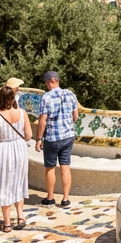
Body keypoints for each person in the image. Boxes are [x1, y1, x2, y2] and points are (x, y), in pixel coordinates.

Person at [0, 86, 31, 230]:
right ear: (13, 98)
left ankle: (7, 223)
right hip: (20, 148)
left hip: (4, 150)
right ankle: (20, 217)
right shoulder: (23, 113)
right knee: (19, 182)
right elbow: (28, 135)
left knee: (4, 184)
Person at [35, 70, 79, 207]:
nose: (47, 86)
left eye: (47, 83)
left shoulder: (46, 97)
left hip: (52, 138)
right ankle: (65, 199)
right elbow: (75, 116)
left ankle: (50, 197)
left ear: (51, 81)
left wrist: (38, 138)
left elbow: (43, 120)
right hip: (68, 136)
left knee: (50, 168)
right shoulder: (70, 94)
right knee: (65, 167)